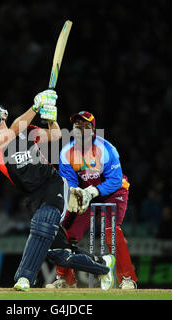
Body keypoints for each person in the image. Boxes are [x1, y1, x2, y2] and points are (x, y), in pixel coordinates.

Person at [0, 91, 114, 291]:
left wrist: (51, 118)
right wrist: (35, 107)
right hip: (32, 197)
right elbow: (13, 131)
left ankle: (24, 278)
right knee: (59, 254)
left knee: (42, 224)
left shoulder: (27, 131)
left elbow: (56, 134)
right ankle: (104, 267)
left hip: (52, 184)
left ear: (2, 114)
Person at [46, 111, 138, 289]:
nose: (80, 129)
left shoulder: (105, 148)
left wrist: (93, 191)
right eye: (76, 126)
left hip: (113, 191)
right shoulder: (67, 152)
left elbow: (115, 180)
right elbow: (70, 181)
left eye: (85, 126)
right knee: (66, 231)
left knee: (111, 230)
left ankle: (127, 279)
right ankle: (65, 279)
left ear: (93, 130)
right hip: (86, 193)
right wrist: (75, 194)